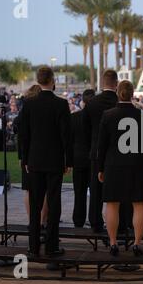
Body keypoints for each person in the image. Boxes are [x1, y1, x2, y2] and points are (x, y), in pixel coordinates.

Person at [97, 80, 143, 257]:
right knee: (139, 204)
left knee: (112, 204)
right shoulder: (141, 116)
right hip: (137, 164)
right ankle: (137, 244)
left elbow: (102, 146)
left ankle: (113, 243)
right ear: (132, 94)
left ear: (117, 92)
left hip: (114, 165)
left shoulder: (108, 115)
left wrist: (100, 168)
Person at [20, 66, 72, 257]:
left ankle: (33, 246)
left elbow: (24, 136)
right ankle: (51, 246)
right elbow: (66, 136)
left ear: (38, 80)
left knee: (35, 204)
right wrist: (69, 160)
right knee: (54, 201)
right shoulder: (61, 104)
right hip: (55, 161)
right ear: (52, 80)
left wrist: (24, 159)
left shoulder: (29, 104)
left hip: (34, 160)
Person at [83, 70, 119, 233]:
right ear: (116, 83)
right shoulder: (120, 101)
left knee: (95, 189)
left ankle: (95, 222)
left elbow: (86, 128)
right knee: (120, 190)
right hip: (118, 152)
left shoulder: (92, 103)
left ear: (102, 83)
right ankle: (121, 222)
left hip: (96, 152)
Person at [14, 85, 49, 227]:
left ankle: (32, 221)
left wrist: (21, 157)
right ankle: (42, 221)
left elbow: (21, 137)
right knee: (44, 190)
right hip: (43, 154)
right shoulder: (43, 111)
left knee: (28, 190)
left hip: (27, 155)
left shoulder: (24, 112)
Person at [71, 89, 94, 228]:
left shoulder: (73, 117)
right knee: (95, 193)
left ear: (83, 102)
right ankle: (93, 219)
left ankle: (78, 220)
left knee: (79, 192)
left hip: (78, 158)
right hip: (92, 159)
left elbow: (70, 140)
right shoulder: (98, 117)